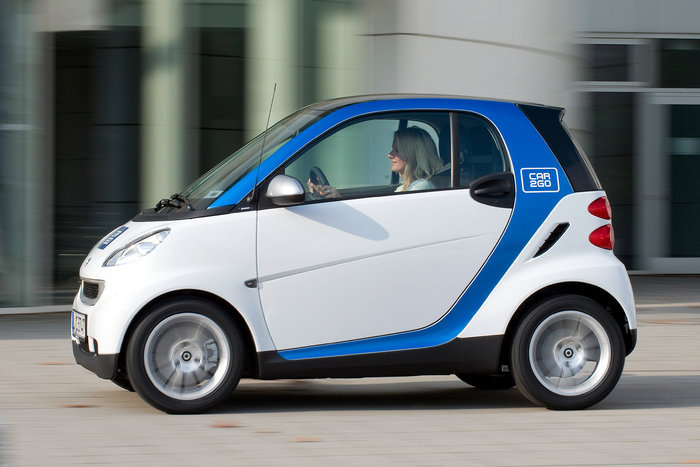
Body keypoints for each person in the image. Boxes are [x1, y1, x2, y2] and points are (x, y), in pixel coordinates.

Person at [308, 126, 443, 197]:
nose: (389, 155)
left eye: (397, 150)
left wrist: (338, 198)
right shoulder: (405, 187)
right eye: (392, 149)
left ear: (412, 154)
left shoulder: (421, 188)